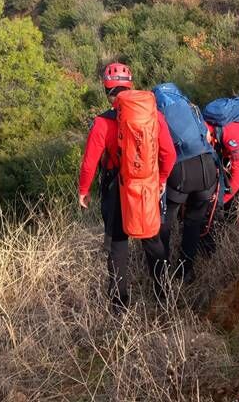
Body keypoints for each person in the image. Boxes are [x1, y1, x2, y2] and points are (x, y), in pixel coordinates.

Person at [78, 63, 176, 310]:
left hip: (115, 191)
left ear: (107, 90)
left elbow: (89, 161)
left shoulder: (102, 123)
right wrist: (161, 179)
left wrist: (83, 190)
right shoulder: (153, 114)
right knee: (152, 239)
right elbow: (169, 154)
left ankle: (120, 306)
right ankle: (164, 295)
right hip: (145, 188)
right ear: (130, 86)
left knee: (117, 246)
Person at [161, 150, 219, 283]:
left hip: (180, 173)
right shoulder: (196, 128)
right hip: (207, 171)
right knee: (194, 222)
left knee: (165, 221)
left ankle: (163, 272)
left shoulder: (164, 127)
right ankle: (185, 272)